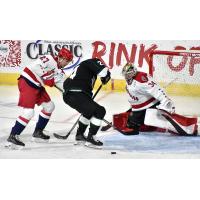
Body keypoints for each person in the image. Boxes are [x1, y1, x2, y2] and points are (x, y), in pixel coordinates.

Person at [6, 48, 73, 149]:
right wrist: (47, 77)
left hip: (37, 85)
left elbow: (60, 83)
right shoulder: (49, 59)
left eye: (68, 61)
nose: (67, 63)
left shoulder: (59, 70)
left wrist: (72, 92)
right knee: (28, 112)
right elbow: (36, 66)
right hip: (27, 82)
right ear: (60, 58)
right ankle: (13, 135)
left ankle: (38, 132)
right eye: (66, 61)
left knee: (49, 106)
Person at [117, 62, 198, 136]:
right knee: (136, 124)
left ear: (133, 72)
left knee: (134, 124)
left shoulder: (141, 79)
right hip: (139, 108)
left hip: (148, 106)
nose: (126, 76)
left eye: (128, 74)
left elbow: (156, 90)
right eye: (125, 74)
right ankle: (150, 124)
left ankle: (188, 128)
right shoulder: (130, 80)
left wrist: (165, 101)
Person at [63, 58, 111, 148]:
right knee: (100, 111)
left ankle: (80, 136)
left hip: (70, 95)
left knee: (88, 112)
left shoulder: (83, 67)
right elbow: (104, 72)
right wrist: (107, 75)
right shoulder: (92, 61)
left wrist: (104, 79)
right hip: (77, 93)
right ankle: (91, 139)